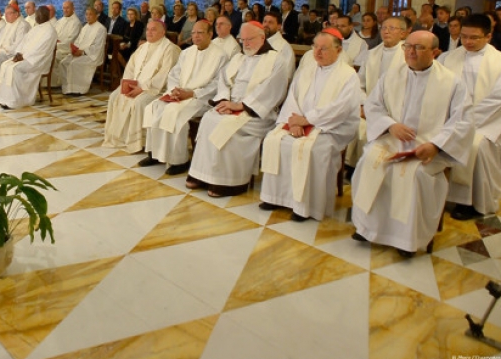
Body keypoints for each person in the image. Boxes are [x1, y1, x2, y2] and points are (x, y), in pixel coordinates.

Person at [351, 31, 471, 257]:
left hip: (426, 146)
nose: (410, 52)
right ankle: (368, 228)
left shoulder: (452, 83)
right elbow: (374, 105)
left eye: (419, 48)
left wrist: (436, 145)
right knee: (369, 161)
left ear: (435, 52)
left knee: (415, 176)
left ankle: (406, 239)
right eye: (408, 46)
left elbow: (462, 121)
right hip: (391, 140)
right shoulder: (391, 75)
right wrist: (390, 125)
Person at [259, 29, 362, 221]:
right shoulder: (307, 70)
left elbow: (340, 109)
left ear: (338, 51)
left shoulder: (348, 76)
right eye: (315, 47)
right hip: (301, 122)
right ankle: (275, 197)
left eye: (324, 48)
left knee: (312, 149)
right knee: (275, 140)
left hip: (331, 128)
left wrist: (307, 121)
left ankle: (305, 206)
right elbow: (293, 97)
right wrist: (294, 122)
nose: (318, 52)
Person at [187, 22, 290, 197]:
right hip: (231, 105)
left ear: (262, 38)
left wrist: (241, 106)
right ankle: (203, 174)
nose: (246, 44)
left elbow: (273, 90)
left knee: (227, 126)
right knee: (209, 119)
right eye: (243, 40)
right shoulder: (238, 58)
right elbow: (224, 80)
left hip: (257, 113)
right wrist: (225, 100)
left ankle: (229, 183)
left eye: (250, 39)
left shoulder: (276, 60)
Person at [438, 14, 501, 219]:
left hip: (484, 123)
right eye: (464, 37)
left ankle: (470, 202)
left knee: (475, 147)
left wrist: (464, 122)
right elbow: (437, 89)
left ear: (488, 36)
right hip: (448, 118)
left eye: (474, 38)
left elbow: (499, 101)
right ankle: (435, 192)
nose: (468, 42)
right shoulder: (448, 58)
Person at [140, 20, 227, 175]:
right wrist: (174, 90)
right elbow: (174, 74)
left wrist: (192, 93)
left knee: (176, 113)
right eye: (193, 33)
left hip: (201, 98)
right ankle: (155, 153)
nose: (196, 36)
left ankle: (179, 160)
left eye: (200, 32)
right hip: (180, 94)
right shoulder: (187, 52)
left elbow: (217, 84)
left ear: (210, 34)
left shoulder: (220, 55)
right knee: (154, 107)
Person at [102, 20, 181, 153]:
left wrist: (142, 88)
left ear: (163, 32)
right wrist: (128, 84)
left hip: (157, 89)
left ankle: (139, 142)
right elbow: (130, 68)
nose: (149, 32)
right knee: (115, 96)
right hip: (136, 85)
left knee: (139, 102)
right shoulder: (143, 47)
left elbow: (165, 74)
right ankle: (119, 136)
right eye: (148, 29)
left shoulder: (170, 49)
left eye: (153, 29)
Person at [346, 16, 409, 169]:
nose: (386, 31)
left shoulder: (408, 55)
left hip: (396, 113)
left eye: (392, 28)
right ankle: (352, 168)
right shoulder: (372, 53)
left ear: (403, 33)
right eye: (384, 28)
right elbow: (360, 84)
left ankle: (376, 169)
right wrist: (364, 105)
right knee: (351, 124)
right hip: (369, 108)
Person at [0, 6, 59, 109]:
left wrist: (24, 56)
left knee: (14, 69)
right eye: (37, 14)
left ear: (46, 16)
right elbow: (24, 41)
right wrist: (18, 53)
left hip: (37, 61)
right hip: (26, 57)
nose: (37, 17)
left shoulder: (50, 31)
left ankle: (17, 100)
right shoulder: (36, 28)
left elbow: (41, 50)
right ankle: (4, 99)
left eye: (40, 15)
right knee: (5, 65)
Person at [60, 7, 108, 95]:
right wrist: (74, 49)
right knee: (64, 62)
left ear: (96, 16)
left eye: (90, 14)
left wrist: (83, 52)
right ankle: (68, 88)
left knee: (74, 64)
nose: (88, 17)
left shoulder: (101, 29)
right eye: (86, 14)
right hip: (80, 53)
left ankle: (78, 90)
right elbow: (78, 41)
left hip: (92, 55)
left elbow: (97, 47)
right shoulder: (85, 27)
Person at [50, 0, 83, 86]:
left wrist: (57, 44)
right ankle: (49, 82)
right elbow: (53, 33)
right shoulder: (60, 21)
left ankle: (57, 83)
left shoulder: (76, 23)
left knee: (52, 57)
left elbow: (71, 40)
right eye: (64, 8)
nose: (65, 10)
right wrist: (54, 41)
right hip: (57, 47)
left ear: (73, 9)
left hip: (66, 50)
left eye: (67, 8)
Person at [262, 12, 295, 81]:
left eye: (270, 22)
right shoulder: (258, 42)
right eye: (264, 21)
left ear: (279, 26)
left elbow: (287, 76)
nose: (266, 25)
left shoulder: (285, 48)